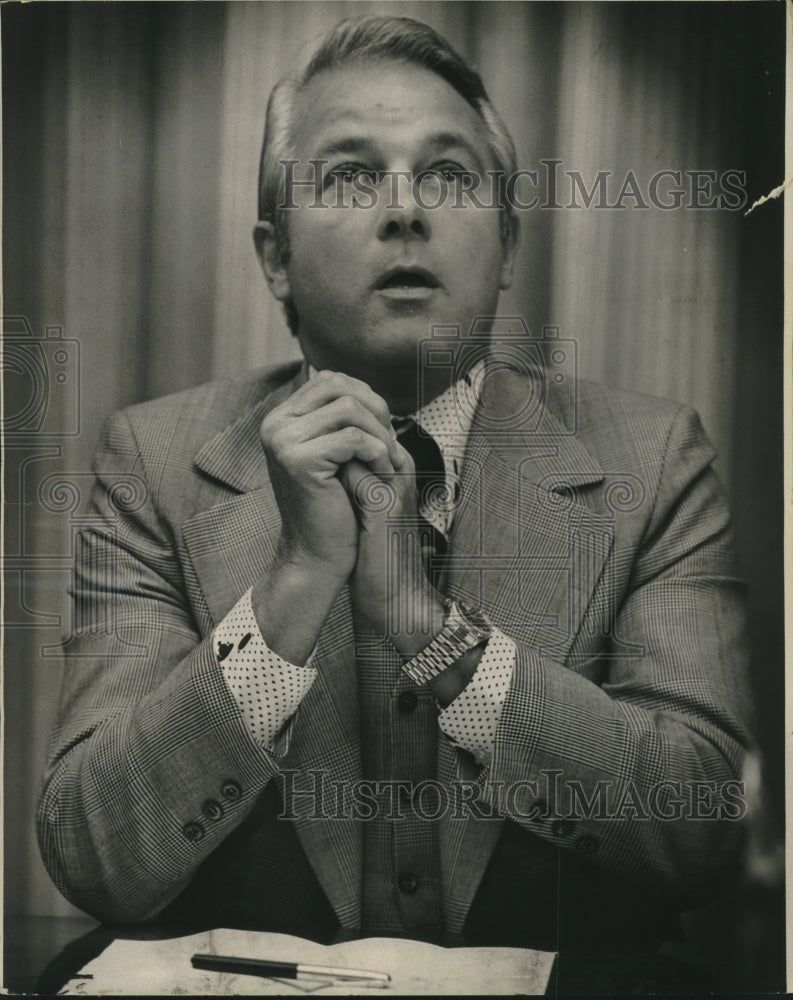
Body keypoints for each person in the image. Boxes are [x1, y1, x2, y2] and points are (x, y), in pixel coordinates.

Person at [38, 15, 752, 958]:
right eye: (351, 176)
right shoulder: (155, 463)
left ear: (505, 247)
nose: (405, 209)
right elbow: (95, 854)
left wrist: (434, 635)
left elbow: (700, 827)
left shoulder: (652, 458)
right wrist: (293, 587)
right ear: (276, 258)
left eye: (448, 176)